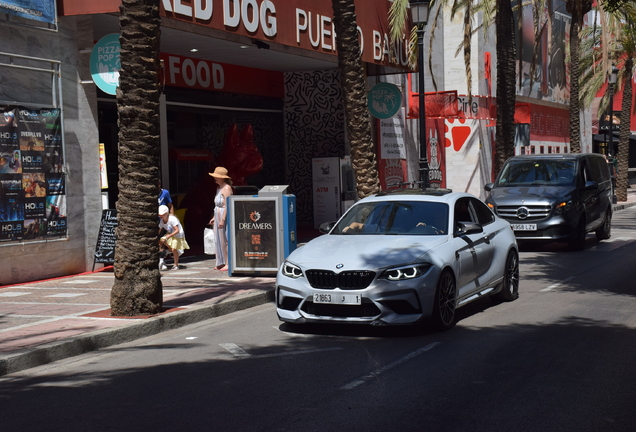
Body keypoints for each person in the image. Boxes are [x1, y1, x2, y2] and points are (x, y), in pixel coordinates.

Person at [208, 166, 233, 271]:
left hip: (224, 215)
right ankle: (220, 261)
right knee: (218, 239)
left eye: (217, 177)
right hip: (218, 214)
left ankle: (228, 262)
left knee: (225, 239)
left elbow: (227, 205)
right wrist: (214, 217)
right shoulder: (218, 188)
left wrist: (222, 219)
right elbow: (217, 205)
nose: (216, 179)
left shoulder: (226, 188)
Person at [158, 204, 189, 270]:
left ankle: (176, 264)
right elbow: (159, 230)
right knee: (161, 240)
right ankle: (168, 250)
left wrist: (169, 236)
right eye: (159, 215)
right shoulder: (161, 221)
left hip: (178, 235)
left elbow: (177, 230)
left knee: (174, 249)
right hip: (170, 233)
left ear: (166, 213)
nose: (161, 216)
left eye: (162, 215)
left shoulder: (172, 219)